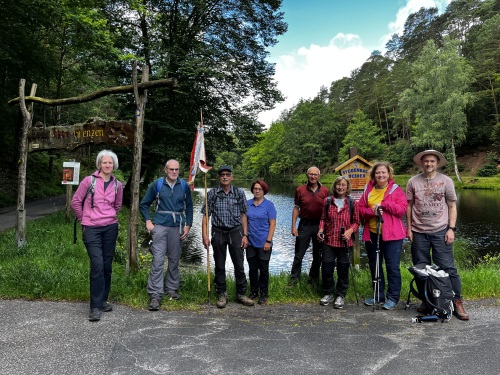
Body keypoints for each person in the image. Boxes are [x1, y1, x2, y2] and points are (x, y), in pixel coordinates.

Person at [406, 150, 469, 320]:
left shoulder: (446, 181)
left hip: (441, 231)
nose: (429, 164)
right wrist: (409, 228)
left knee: (448, 268)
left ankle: (457, 301)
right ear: (421, 163)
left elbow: (452, 206)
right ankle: (427, 301)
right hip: (419, 232)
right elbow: (409, 207)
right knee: (421, 269)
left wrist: (451, 229)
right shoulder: (413, 182)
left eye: (432, 161)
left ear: (437, 163)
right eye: (426, 161)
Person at [71, 150, 123, 321]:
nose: (107, 165)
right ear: (99, 164)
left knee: (107, 265)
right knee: (97, 265)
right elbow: (76, 202)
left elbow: (117, 205)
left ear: (113, 165)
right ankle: (94, 307)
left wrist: (109, 217)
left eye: (110, 163)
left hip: (110, 228)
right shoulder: (89, 181)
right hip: (91, 228)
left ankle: (102, 301)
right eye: (104, 162)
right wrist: (84, 219)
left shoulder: (118, 185)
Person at [139, 160, 193, 311]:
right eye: (171, 169)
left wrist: (188, 225)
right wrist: (148, 222)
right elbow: (144, 204)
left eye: (176, 169)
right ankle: (155, 294)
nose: (174, 172)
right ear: (165, 170)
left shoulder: (183, 186)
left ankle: (171, 288)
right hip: (160, 225)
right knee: (158, 259)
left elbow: (189, 207)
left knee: (174, 259)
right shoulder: (157, 184)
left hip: (178, 227)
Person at [201, 166, 255, 308]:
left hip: (235, 231)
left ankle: (241, 294)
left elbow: (244, 215)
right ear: (218, 177)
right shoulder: (212, 193)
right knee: (219, 264)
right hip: (218, 232)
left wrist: (245, 235)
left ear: (232, 177)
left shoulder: (239, 193)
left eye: (227, 175)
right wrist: (204, 235)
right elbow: (206, 215)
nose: (225, 177)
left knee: (239, 264)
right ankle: (222, 294)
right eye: (222, 175)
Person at [358, 161, 407, 310]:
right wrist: (372, 211)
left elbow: (401, 210)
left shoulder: (395, 190)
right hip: (373, 234)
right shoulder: (368, 189)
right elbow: (360, 208)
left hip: (392, 236)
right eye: (378, 172)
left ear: (388, 174)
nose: (380, 175)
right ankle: (378, 295)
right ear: (374, 174)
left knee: (392, 267)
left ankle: (393, 297)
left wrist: (384, 204)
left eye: (383, 172)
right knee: (375, 266)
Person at [317, 176, 360, 309]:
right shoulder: (328, 201)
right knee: (327, 269)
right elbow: (323, 219)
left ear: (347, 187)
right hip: (329, 240)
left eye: (343, 185)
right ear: (334, 186)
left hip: (344, 242)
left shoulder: (352, 203)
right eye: (338, 185)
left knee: (343, 270)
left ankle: (341, 295)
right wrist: (320, 230)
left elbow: (357, 222)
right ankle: (329, 293)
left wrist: (350, 231)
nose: (340, 187)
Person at [289, 166, 330, 286]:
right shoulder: (300, 190)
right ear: (307, 175)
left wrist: (325, 228)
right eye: (311, 174)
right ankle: (294, 279)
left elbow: (328, 211)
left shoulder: (325, 191)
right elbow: (296, 208)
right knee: (299, 254)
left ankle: (314, 279)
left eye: (315, 174)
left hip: (319, 225)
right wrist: (293, 226)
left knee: (318, 254)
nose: (313, 176)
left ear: (319, 176)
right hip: (304, 225)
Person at [246, 180, 277, 305]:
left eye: (260, 189)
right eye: (255, 188)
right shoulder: (247, 204)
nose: (257, 191)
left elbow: (272, 224)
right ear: (252, 190)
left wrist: (268, 241)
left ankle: (264, 294)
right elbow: (243, 221)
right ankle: (254, 292)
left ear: (264, 191)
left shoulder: (269, 205)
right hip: (250, 242)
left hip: (264, 242)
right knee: (252, 269)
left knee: (263, 269)